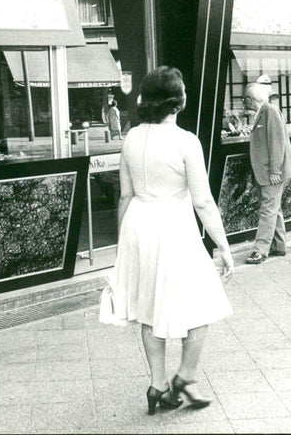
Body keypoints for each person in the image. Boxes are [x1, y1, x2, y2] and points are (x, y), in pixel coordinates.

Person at [110, 66, 234, 415]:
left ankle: (158, 383)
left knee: (150, 307)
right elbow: (203, 201)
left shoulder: (131, 137)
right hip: (173, 227)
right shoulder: (185, 141)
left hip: (138, 223)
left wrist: (123, 244)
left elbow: (125, 195)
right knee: (202, 303)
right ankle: (187, 377)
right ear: (178, 103)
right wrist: (222, 245)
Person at [243, 80, 291, 265]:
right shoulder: (265, 111)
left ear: (251, 99)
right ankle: (279, 245)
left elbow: (277, 143)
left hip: (271, 172)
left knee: (267, 210)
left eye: (245, 99)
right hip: (267, 172)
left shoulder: (270, 111)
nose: (244, 103)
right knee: (273, 208)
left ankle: (260, 250)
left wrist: (275, 170)